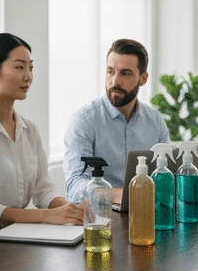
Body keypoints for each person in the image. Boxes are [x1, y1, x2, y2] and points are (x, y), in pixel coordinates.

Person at [0, 33, 83, 239]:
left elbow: (44, 191)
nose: (28, 76)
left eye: (31, 67)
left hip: (17, 232)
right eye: (19, 67)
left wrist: (73, 211)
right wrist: (49, 216)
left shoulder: (29, 129)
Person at [64, 39, 169, 204]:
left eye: (125, 73)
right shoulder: (84, 121)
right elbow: (74, 185)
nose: (115, 81)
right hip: (100, 217)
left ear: (143, 79)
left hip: (146, 212)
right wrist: (118, 195)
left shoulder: (155, 121)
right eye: (110, 72)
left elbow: (166, 174)